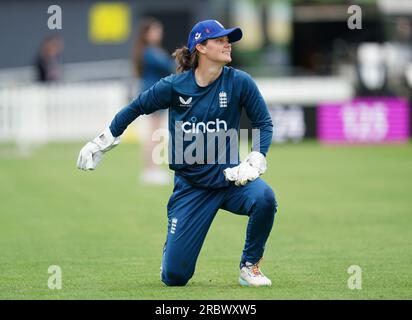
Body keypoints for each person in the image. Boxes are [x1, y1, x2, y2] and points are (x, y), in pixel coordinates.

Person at [77, 20, 278, 287]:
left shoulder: (240, 82)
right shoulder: (174, 86)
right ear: (201, 47)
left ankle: (249, 266)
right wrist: (101, 141)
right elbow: (135, 107)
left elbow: (263, 123)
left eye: (228, 39)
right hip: (191, 188)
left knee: (264, 197)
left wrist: (257, 156)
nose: (227, 44)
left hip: (231, 180)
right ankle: (171, 253)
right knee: (175, 277)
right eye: (220, 40)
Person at [132, 17, 175, 184]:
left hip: (154, 94)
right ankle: (150, 170)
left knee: (154, 132)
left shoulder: (150, 50)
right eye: (156, 30)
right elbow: (169, 65)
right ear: (146, 33)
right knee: (154, 133)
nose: (159, 33)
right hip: (154, 94)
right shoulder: (149, 52)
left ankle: (151, 169)